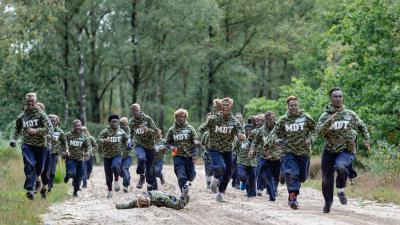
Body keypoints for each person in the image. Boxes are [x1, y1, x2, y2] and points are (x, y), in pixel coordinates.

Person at [317, 87, 370, 213]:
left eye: (340, 96)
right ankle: (328, 202)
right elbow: (319, 132)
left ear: (342, 98)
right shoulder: (325, 116)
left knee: (341, 167)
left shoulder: (349, 114)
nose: (338, 99)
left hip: (346, 149)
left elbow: (361, 126)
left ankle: (341, 189)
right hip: (330, 150)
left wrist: (366, 139)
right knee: (326, 180)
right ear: (331, 99)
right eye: (335, 96)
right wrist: (330, 120)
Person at [270, 96, 316, 209]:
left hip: (304, 152)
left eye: (295, 105)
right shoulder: (283, 119)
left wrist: (310, 139)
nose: (294, 107)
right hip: (288, 151)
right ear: (288, 107)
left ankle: (283, 173)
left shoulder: (306, 117)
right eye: (291, 106)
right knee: (292, 173)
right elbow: (273, 133)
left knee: (302, 177)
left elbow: (315, 130)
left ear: (298, 105)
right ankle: (293, 198)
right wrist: (276, 140)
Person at [198, 97, 245, 202]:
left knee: (229, 171)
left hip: (227, 149)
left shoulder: (235, 121)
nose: (225, 107)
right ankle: (215, 178)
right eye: (223, 105)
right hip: (214, 148)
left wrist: (241, 136)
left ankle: (220, 193)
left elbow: (241, 134)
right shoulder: (214, 119)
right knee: (221, 167)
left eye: (227, 105)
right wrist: (198, 139)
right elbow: (202, 128)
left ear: (231, 106)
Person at [10, 93, 53, 200]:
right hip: (27, 145)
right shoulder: (22, 116)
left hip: (40, 145)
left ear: (35, 102)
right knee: (29, 165)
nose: (30, 103)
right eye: (28, 101)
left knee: (39, 169)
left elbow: (49, 129)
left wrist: (36, 131)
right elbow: (17, 129)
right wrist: (14, 139)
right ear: (25, 102)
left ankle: (37, 181)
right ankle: (30, 189)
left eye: (32, 102)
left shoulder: (41, 115)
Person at [166, 108, 198, 193]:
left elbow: (195, 142)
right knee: (181, 176)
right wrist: (171, 147)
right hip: (178, 156)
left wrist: (194, 154)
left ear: (185, 118)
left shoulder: (190, 129)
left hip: (189, 156)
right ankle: (183, 193)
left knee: (191, 176)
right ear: (175, 118)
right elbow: (167, 143)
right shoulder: (171, 130)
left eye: (183, 117)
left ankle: (190, 179)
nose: (181, 118)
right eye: (179, 117)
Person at [97, 114, 128, 198]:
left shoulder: (121, 131)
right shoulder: (105, 131)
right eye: (113, 122)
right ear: (109, 122)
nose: (114, 124)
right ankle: (110, 191)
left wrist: (126, 147)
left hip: (117, 154)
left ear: (118, 123)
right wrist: (104, 140)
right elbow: (98, 140)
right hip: (107, 156)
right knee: (108, 175)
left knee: (115, 166)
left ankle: (117, 180)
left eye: (116, 122)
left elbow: (126, 140)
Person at [128, 103, 158, 191]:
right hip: (139, 145)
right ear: (132, 111)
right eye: (133, 110)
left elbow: (155, 132)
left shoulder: (147, 118)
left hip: (150, 146)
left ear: (140, 110)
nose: (135, 112)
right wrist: (130, 140)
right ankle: (141, 175)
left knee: (150, 169)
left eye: (136, 110)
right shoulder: (132, 122)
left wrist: (147, 129)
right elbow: (131, 134)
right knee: (141, 158)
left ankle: (151, 189)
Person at [64, 119, 92, 197]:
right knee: (72, 173)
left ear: (81, 126)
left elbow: (89, 146)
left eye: (79, 125)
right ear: (73, 126)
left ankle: (75, 192)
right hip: (70, 158)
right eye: (76, 126)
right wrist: (65, 151)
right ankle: (67, 176)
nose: (78, 127)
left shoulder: (84, 137)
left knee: (80, 175)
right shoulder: (68, 135)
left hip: (80, 159)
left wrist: (88, 152)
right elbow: (63, 143)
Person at [115, 185, 190, 210]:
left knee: (180, 205)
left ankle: (184, 198)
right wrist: (118, 206)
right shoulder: (157, 198)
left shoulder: (159, 198)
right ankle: (184, 199)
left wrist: (118, 206)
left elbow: (128, 205)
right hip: (166, 197)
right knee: (179, 205)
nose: (142, 194)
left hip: (166, 197)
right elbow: (175, 206)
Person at [47, 114, 67, 193]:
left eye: (54, 121)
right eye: (51, 121)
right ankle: (44, 184)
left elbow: (64, 142)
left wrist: (65, 150)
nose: (52, 122)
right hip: (44, 153)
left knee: (52, 172)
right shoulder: (45, 129)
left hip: (54, 154)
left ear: (57, 121)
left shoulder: (60, 131)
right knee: (45, 171)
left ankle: (50, 186)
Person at [236, 124, 257, 197]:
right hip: (241, 162)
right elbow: (234, 148)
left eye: (250, 130)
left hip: (252, 162)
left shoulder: (255, 139)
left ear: (252, 130)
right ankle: (244, 183)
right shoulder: (240, 139)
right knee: (241, 176)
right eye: (246, 130)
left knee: (252, 179)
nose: (248, 131)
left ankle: (251, 193)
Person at [119, 117, 133, 192]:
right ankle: (127, 177)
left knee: (124, 169)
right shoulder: (117, 132)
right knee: (120, 172)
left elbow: (132, 143)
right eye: (121, 124)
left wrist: (130, 145)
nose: (122, 126)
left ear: (127, 124)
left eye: (124, 124)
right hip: (118, 156)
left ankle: (126, 186)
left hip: (128, 156)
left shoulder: (130, 133)